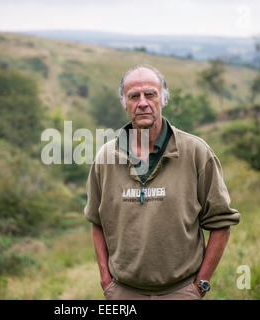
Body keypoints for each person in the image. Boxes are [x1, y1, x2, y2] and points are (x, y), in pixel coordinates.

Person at [84, 64, 240, 300]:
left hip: (181, 291)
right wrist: (106, 281)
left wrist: (200, 285)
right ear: (125, 103)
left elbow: (222, 222)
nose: (142, 102)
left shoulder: (196, 152)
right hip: (123, 293)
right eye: (134, 96)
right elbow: (97, 220)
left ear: (164, 99)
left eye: (150, 94)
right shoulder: (105, 157)